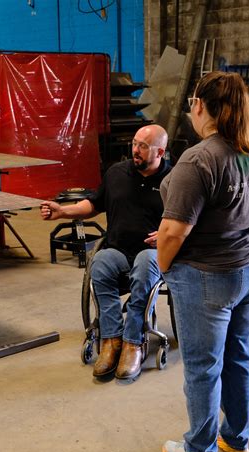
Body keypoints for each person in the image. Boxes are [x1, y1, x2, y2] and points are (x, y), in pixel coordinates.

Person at [156, 72, 249, 452]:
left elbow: (174, 230)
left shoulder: (198, 158)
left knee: (203, 365)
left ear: (200, 106)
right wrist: (241, 233)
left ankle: (199, 451)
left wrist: (162, 267)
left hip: (208, 276)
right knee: (240, 356)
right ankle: (236, 438)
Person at [40, 124, 170, 380]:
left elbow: (187, 218)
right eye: (134, 143)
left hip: (153, 253)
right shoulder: (116, 173)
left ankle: (133, 342)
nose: (136, 150)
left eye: (143, 147)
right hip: (118, 249)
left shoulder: (174, 180)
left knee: (145, 266)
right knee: (99, 265)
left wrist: (167, 234)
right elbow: (94, 204)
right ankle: (111, 340)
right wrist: (63, 211)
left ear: (160, 151)